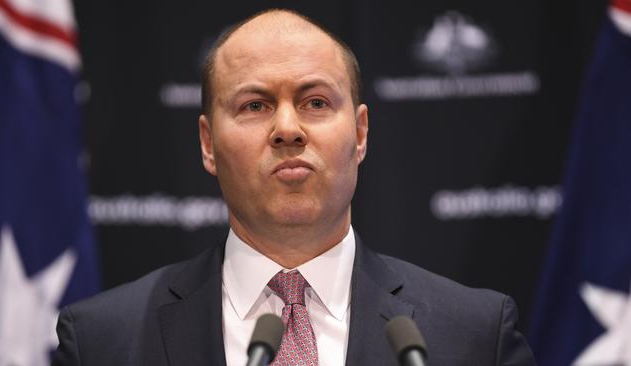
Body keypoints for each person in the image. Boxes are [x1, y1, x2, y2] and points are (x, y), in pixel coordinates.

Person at [52, 9, 536, 366]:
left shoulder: (472, 335)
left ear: (361, 134)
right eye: (255, 106)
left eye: (316, 102)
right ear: (207, 144)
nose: (288, 128)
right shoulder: (102, 342)